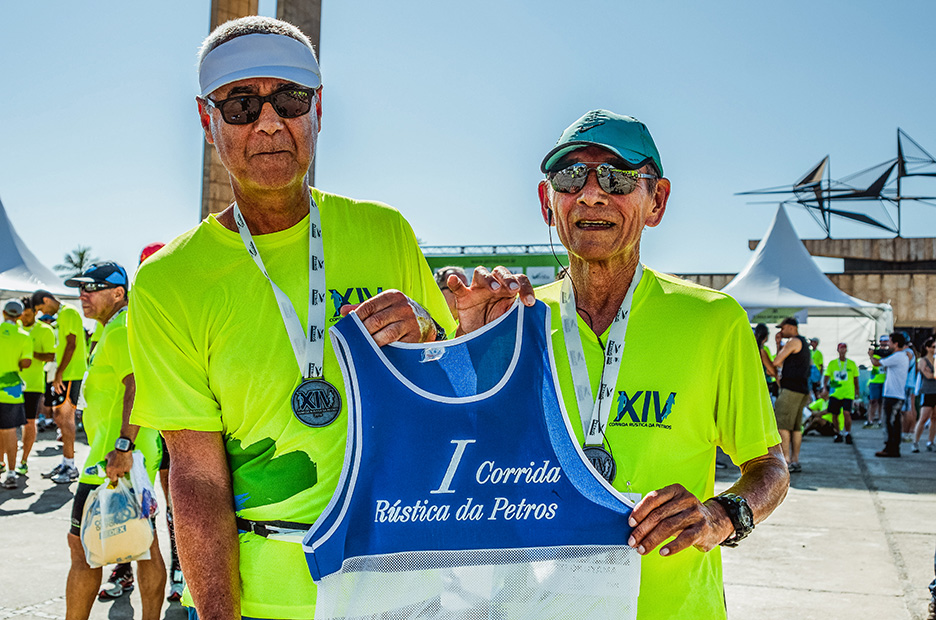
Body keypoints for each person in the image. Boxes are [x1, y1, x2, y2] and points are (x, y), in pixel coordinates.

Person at [127, 17, 530, 620]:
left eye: (288, 98)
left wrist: (458, 338)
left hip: (404, 579)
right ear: (208, 121)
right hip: (266, 593)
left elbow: (459, 406)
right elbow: (198, 478)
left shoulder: (385, 231)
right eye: (240, 104)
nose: (268, 122)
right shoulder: (168, 281)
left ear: (317, 109)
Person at [533, 109, 788, 618]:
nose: (590, 194)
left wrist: (721, 515)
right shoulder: (516, 321)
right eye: (569, 177)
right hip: (535, 604)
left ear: (658, 201)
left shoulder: (713, 320)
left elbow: (769, 467)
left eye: (617, 176)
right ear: (548, 202)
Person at [62, 262, 166, 620]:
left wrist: (123, 446)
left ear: (118, 293)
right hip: (127, 453)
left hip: (113, 456)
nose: (83, 295)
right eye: (81, 288)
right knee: (144, 543)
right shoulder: (114, 328)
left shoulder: (121, 328)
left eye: (92, 287)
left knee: (82, 548)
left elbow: (136, 385)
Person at [32, 288, 88, 483]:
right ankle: (66, 461)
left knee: (65, 418)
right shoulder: (63, 315)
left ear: (47, 300)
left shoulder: (68, 312)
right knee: (59, 416)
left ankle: (70, 465)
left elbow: (71, 344)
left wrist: (60, 372)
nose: (40, 313)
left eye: (40, 308)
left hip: (71, 372)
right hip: (66, 372)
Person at [17, 296, 56, 473]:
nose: (23, 318)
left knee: (29, 423)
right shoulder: (13, 327)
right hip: (9, 383)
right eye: (20, 315)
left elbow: (50, 356)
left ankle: (23, 460)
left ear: (34, 312)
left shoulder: (45, 330)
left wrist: (28, 353)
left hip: (33, 385)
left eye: (26, 314)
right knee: (5, 426)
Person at [772, 317, 811, 472]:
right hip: (801, 389)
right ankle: (795, 460)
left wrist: (778, 345)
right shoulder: (803, 342)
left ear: (791, 327)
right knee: (796, 427)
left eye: (782, 328)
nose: (781, 331)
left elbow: (776, 361)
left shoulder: (793, 341)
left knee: (782, 425)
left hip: (791, 390)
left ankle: (786, 461)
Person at [0, 299, 32, 489]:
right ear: (19, 316)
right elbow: (26, 363)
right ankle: (11, 472)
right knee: (9, 431)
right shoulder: (24, 336)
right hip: (11, 390)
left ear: (4, 313)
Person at [870, 331, 912, 457]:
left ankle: (890, 448)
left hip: (893, 395)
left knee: (890, 423)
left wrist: (872, 355)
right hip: (897, 394)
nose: (887, 344)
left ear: (896, 343)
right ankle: (894, 447)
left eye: (889, 342)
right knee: (895, 422)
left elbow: (877, 363)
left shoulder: (897, 356)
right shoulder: (902, 356)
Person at [823, 342, 859, 444]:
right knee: (834, 414)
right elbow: (826, 376)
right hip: (835, 393)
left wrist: (857, 391)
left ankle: (847, 433)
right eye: (841, 348)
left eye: (844, 348)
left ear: (846, 350)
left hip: (848, 393)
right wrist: (825, 388)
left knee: (846, 413)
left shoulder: (851, 364)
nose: (843, 350)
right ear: (838, 350)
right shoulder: (832, 363)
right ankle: (837, 432)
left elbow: (856, 378)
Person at [913, 336, 936, 453]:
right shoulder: (922, 361)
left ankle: (930, 441)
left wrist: (931, 373)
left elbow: (931, 374)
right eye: (933, 347)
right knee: (923, 418)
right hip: (927, 392)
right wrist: (932, 374)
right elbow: (927, 376)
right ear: (927, 348)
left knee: (934, 419)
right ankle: (915, 442)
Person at [866, 334, 890, 427]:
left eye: (886, 341)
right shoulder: (876, 353)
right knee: (873, 401)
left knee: (882, 401)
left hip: (885, 380)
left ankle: (880, 419)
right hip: (875, 380)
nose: (884, 344)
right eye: (882, 341)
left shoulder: (890, 353)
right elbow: (874, 362)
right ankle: (870, 419)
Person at [754, 323, 778, 400]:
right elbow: (772, 371)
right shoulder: (762, 351)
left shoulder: (750, 349)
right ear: (766, 335)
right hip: (762, 386)